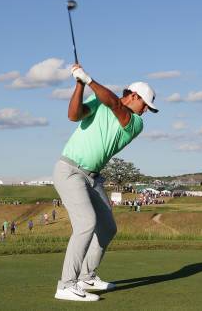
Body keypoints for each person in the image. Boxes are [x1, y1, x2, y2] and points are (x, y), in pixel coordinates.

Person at [53, 63, 157, 302]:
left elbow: (114, 103)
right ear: (134, 96)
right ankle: (66, 285)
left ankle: (86, 277)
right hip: (69, 170)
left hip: (93, 177)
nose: (144, 112)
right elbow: (73, 115)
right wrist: (80, 85)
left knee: (107, 227)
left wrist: (87, 78)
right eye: (145, 105)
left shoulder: (135, 123)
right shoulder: (100, 101)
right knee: (86, 223)